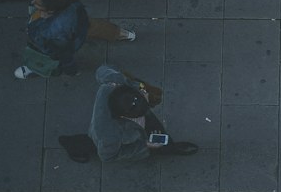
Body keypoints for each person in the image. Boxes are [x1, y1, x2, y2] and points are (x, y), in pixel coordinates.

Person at [58, 64, 198, 162]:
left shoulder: (112, 84)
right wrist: (145, 146)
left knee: (155, 129)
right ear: (124, 117)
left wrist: (138, 87)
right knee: (91, 143)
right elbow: (108, 157)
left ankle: (168, 147)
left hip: (123, 120)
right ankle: (71, 145)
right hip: (104, 136)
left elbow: (102, 69)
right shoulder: (108, 135)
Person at [14, 0, 136, 80]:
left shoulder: (53, 32)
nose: (32, 2)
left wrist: (70, 69)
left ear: (50, 11)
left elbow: (64, 52)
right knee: (97, 27)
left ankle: (35, 67)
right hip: (81, 23)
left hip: (62, 38)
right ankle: (120, 34)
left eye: (38, 5)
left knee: (45, 55)